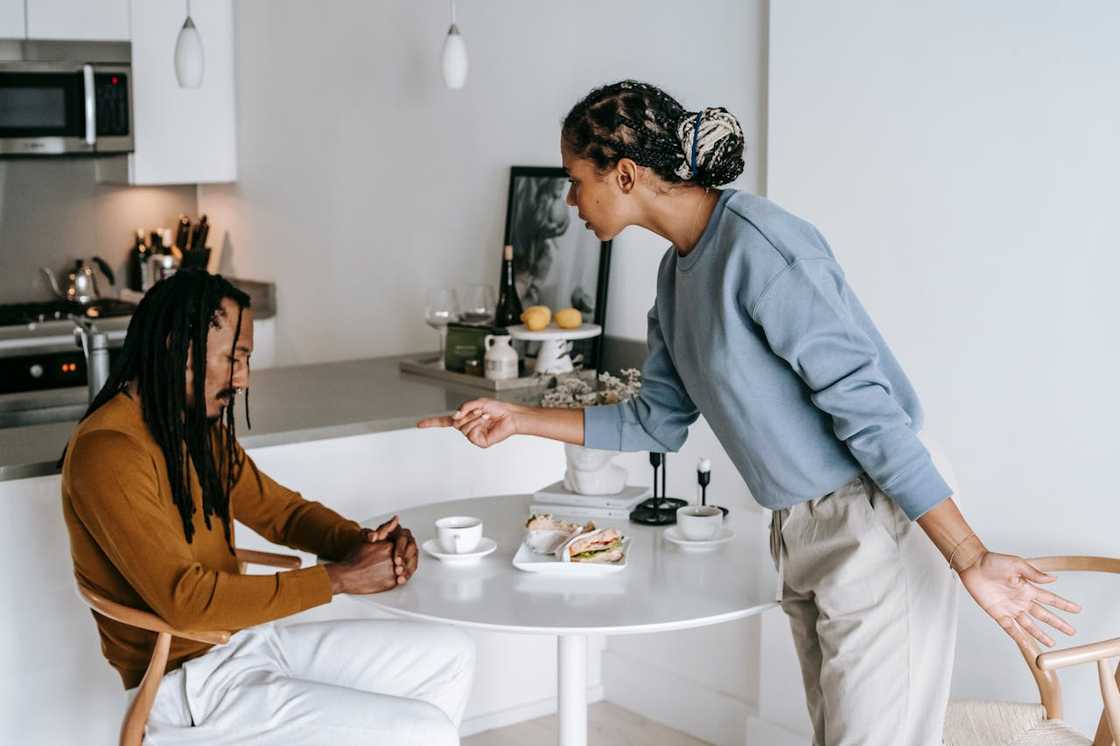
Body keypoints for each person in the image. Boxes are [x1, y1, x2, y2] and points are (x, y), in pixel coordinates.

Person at [420, 80, 1079, 745]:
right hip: (799, 528)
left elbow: (868, 409)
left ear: (623, 174)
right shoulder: (674, 279)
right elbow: (657, 421)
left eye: (574, 180)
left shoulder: (762, 246)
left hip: (877, 518)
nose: (569, 200)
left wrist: (968, 555)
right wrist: (520, 420)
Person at [61, 269, 474, 745]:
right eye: (233, 358)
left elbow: (284, 514)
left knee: (451, 654)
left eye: (246, 360)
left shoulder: (191, 429)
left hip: (244, 644)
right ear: (180, 348)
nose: (242, 378)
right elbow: (185, 601)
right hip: (186, 686)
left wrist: (365, 546)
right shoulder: (110, 450)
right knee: (425, 732)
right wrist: (339, 578)